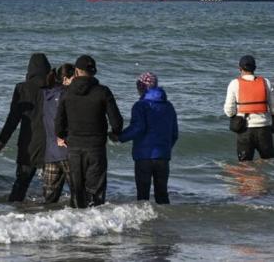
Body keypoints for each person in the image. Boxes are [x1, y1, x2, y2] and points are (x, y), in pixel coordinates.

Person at [55, 55, 123, 208]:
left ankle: (78, 226)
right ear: (94, 72)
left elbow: (58, 123)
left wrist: (62, 136)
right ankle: (95, 226)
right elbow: (117, 122)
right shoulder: (103, 92)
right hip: (96, 147)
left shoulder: (66, 93)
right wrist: (115, 133)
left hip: (74, 148)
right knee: (96, 193)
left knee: (76, 192)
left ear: (77, 71)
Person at [0, 53, 52, 202]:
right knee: (51, 187)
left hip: (28, 143)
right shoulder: (55, 88)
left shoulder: (22, 88)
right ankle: (51, 217)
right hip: (51, 144)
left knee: (21, 183)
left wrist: (1, 141)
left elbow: (13, 119)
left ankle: (14, 213)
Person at [115, 72, 178, 204]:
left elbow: (138, 128)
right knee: (162, 194)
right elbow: (174, 134)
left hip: (144, 157)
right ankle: (165, 221)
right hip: (162, 156)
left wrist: (120, 137)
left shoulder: (140, 106)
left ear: (141, 87)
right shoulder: (168, 106)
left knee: (143, 196)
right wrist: (165, 149)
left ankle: (145, 223)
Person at [223, 55, 274, 161]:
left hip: (245, 130)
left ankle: (249, 177)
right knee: (268, 161)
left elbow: (229, 111)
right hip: (264, 129)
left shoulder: (234, 84)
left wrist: (235, 115)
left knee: (245, 165)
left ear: (240, 68)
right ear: (254, 68)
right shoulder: (266, 82)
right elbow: (273, 108)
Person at [41, 64, 74, 204]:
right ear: (66, 79)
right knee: (79, 194)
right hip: (67, 151)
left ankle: (47, 224)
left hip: (50, 153)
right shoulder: (67, 95)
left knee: (49, 199)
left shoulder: (45, 94)